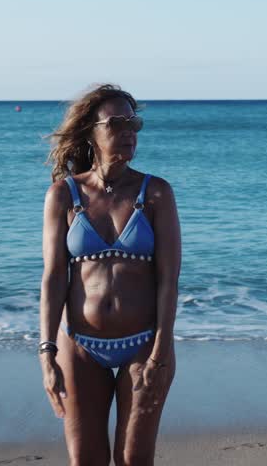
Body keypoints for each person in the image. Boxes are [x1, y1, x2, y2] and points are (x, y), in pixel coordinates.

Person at [39, 84, 182, 465]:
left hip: (143, 344)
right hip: (80, 346)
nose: (129, 132)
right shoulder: (63, 195)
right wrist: (46, 351)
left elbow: (169, 279)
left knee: (134, 460)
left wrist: (161, 351)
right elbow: (54, 278)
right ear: (91, 130)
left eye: (134, 123)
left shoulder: (156, 194)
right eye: (117, 123)